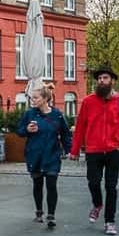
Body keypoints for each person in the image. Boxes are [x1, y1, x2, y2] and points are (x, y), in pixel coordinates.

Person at [69, 66, 119, 236]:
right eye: (99, 79)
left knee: (111, 187)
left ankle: (109, 221)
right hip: (94, 149)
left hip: (114, 149)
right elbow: (81, 127)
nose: (101, 81)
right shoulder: (88, 102)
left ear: (112, 81)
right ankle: (97, 204)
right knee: (93, 181)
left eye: (105, 78)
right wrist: (75, 150)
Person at [16, 84, 72, 228]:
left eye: (35, 97)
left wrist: (70, 150)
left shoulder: (57, 114)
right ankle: (39, 211)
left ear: (46, 98)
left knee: (52, 185)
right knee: (38, 184)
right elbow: (20, 131)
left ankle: (51, 215)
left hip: (52, 154)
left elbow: (65, 134)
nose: (32, 100)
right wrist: (27, 130)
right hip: (34, 154)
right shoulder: (30, 114)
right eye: (31, 97)